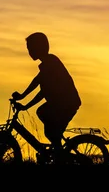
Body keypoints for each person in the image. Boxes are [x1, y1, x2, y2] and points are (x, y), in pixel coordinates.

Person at [12, 32, 81, 161]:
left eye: (30, 48)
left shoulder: (51, 63)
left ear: (38, 48)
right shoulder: (47, 64)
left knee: (49, 129)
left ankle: (59, 156)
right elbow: (37, 81)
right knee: (49, 126)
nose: (29, 52)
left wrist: (26, 104)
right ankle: (57, 152)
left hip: (67, 103)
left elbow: (42, 92)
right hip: (61, 103)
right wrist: (22, 96)